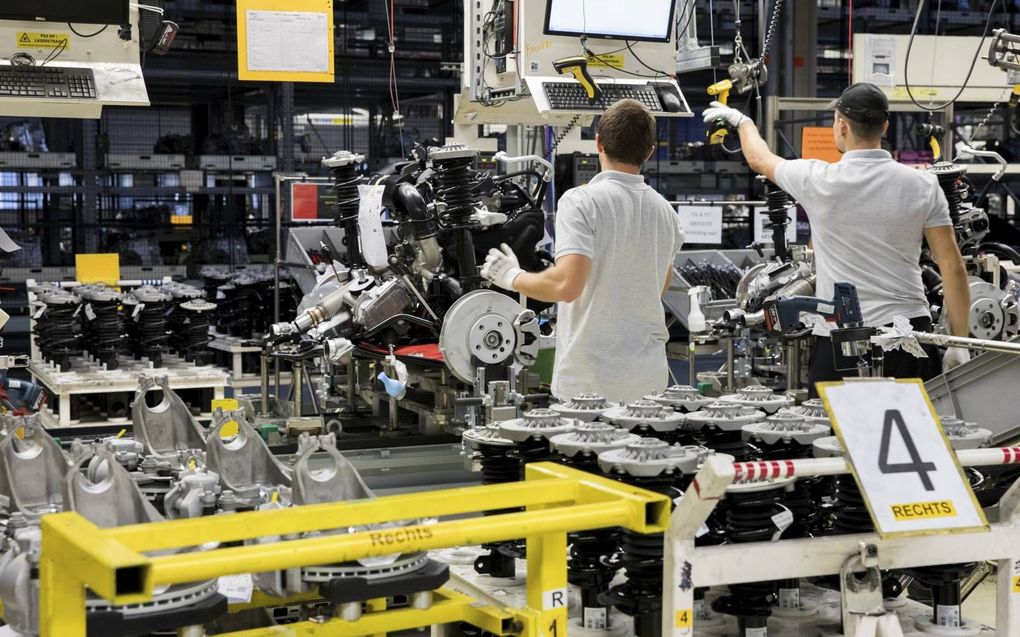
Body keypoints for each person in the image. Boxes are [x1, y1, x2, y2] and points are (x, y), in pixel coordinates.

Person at [702, 82, 971, 395]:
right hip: (909, 337)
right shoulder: (923, 185)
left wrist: (741, 121)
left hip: (840, 338)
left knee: (833, 439)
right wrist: (958, 341)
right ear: (884, 126)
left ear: (841, 125)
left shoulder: (819, 180)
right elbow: (952, 266)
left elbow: (759, 159)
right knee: (909, 439)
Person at [480, 99, 685, 404]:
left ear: (598, 143)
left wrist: (511, 276)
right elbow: (658, 287)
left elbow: (566, 285)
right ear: (649, 152)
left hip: (592, 384)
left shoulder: (581, 202)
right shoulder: (667, 213)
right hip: (649, 381)